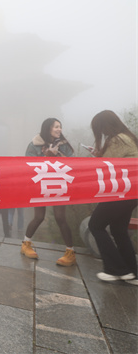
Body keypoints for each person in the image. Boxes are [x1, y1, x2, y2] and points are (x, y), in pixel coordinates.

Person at [88, 110, 138, 285]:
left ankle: (115, 269)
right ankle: (132, 273)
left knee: (95, 225)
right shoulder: (127, 137)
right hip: (131, 192)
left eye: (100, 129)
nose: (101, 133)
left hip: (121, 192)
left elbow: (107, 165)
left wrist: (97, 157)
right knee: (118, 230)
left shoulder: (118, 139)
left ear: (106, 125)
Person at [21, 117, 76, 266]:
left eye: (60, 127)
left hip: (59, 183)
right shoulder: (34, 145)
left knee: (60, 218)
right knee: (39, 217)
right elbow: (28, 165)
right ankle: (26, 244)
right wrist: (45, 157)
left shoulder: (64, 146)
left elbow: (73, 164)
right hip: (41, 184)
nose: (59, 129)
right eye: (56, 127)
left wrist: (58, 156)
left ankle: (70, 252)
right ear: (47, 129)